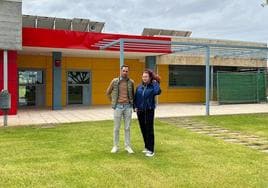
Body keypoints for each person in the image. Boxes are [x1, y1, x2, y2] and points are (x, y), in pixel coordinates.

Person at [106, 64, 135, 154]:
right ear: (120, 71)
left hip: (127, 107)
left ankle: (127, 146)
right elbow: (108, 92)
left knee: (127, 128)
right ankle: (115, 146)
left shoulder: (131, 82)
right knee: (116, 128)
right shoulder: (114, 81)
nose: (125, 72)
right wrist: (113, 103)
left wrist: (132, 105)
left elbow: (132, 95)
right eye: (123, 70)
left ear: (128, 72)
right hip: (118, 107)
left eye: (126, 71)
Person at [134, 69, 161, 157]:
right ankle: (146, 147)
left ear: (150, 78)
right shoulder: (139, 87)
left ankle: (151, 150)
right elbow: (136, 98)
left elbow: (158, 91)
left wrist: (155, 82)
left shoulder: (153, 87)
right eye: (143, 76)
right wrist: (135, 107)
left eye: (146, 77)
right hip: (140, 111)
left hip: (149, 110)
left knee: (149, 130)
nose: (144, 78)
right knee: (143, 129)